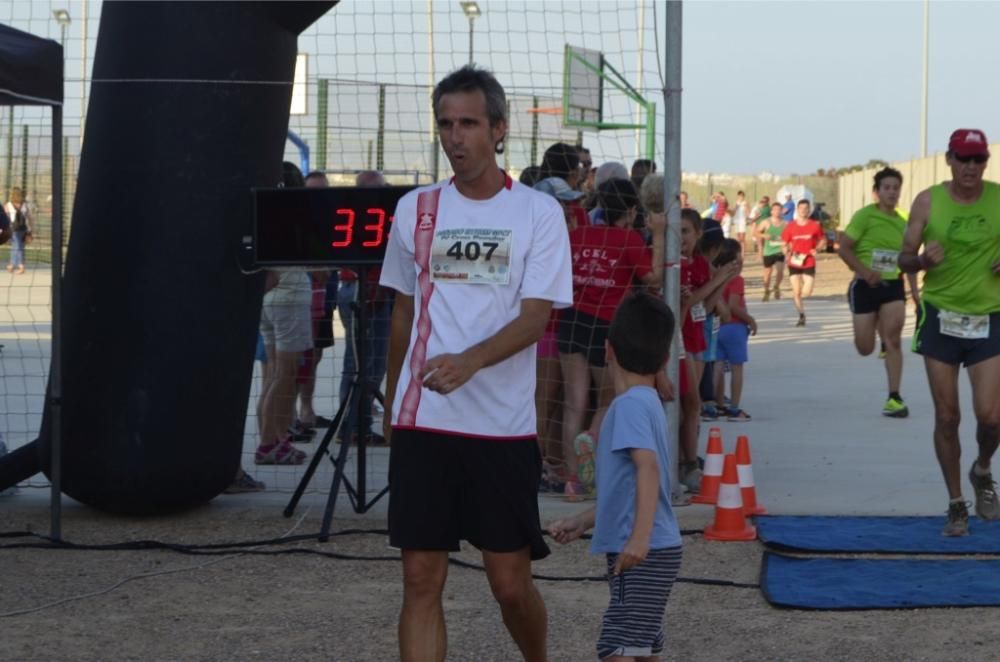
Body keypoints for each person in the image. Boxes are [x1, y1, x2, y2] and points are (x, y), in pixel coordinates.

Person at [379, 65, 572, 661]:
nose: (455, 137)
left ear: (499, 130)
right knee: (420, 579)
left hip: (500, 428)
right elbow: (403, 316)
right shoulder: (416, 209)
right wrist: (392, 403)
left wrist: (468, 361)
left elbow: (536, 319)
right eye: (445, 123)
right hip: (425, 423)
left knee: (509, 585)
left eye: (468, 123)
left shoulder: (538, 215)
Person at [548, 292, 682, 662]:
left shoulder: (626, 408)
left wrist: (639, 539)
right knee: (641, 645)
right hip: (654, 550)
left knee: (616, 647)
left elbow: (648, 469)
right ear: (664, 360)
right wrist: (582, 520)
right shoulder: (647, 403)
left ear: (607, 350)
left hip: (643, 550)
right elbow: (625, 488)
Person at [899, 128, 1000, 537]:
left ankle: (982, 469)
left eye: (978, 160)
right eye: (964, 159)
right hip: (941, 317)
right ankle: (957, 502)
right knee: (947, 416)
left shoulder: (998, 197)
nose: (971, 168)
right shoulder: (928, 201)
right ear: (949, 160)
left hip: (990, 315)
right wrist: (921, 261)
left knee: (991, 416)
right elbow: (902, 258)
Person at [559, 178, 665, 499]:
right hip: (605, 324)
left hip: (571, 319)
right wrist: (658, 235)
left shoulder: (579, 235)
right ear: (632, 210)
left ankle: (572, 480)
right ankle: (591, 439)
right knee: (606, 401)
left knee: (573, 402)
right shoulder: (629, 239)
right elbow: (654, 279)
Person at [838, 167, 919, 418]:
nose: (892, 192)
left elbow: (910, 260)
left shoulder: (903, 224)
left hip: (892, 286)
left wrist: (915, 294)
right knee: (864, 348)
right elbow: (844, 248)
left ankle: (894, 397)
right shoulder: (865, 217)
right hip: (864, 286)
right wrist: (864, 271)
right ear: (877, 192)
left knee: (894, 340)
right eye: (887, 188)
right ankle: (876, 330)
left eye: (896, 188)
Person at [254, 162, 311, 466]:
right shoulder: (293, 216)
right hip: (289, 298)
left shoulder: (265, 213)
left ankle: (274, 438)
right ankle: (269, 442)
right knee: (284, 374)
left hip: (269, 300)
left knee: (274, 373)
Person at [533, 176, 585, 489]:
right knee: (544, 400)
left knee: (553, 403)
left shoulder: (562, 231)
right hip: (543, 329)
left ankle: (548, 462)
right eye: (564, 204)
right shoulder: (542, 234)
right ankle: (537, 466)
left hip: (560, 325)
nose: (571, 209)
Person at [336, 170, 393, 446]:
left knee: (371, 363)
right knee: (360, 362)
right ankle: (352, 425)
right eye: (380, 187)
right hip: (363, 291)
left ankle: (359, 421)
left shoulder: (371, 214)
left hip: (370, 291)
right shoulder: (363, 217)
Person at [713, 239, 757, 421]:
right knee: (737, 368)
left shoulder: (716, 276)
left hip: (718, 327)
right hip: (735, 327)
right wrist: (751, 320)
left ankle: (713, 404)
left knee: (717, 366)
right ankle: (734, 408)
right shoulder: (736, 280)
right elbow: (733, 306)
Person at [781, 199, 825, 327]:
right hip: (794, 261)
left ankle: (802, 309)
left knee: (807, 291)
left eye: (806, 208)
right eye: (801, 208)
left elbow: (822, 240)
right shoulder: (790, 226)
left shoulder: (814, 225)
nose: (803, 210)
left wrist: (817, 249)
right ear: (797, 210)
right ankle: (801, 315)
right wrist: (786, 252)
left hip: (808, 261)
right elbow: (784, 244)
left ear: (809, 210)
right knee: (796, 292)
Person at [753, 202, 786, 302]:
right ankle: (766, 290)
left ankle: (776, 286)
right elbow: (755, 232)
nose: (777, 212)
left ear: (781, 211)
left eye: (779, 210)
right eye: (774, 209)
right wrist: (764, 236)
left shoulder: (785, 223)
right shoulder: (766, 222)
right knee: (767, 272)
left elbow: (789, 236)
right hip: (768, 250)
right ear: (771, 211)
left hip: (780, 249)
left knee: (780, 270)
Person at [5, 187, 32, 274]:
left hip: (13, 229)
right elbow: (30, 218)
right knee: (18, 246)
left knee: (17, 247)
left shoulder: (8, 205)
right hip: (23, 229)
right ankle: (12, 265)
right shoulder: (24, 205)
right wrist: (30, 229)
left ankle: (19, 266)